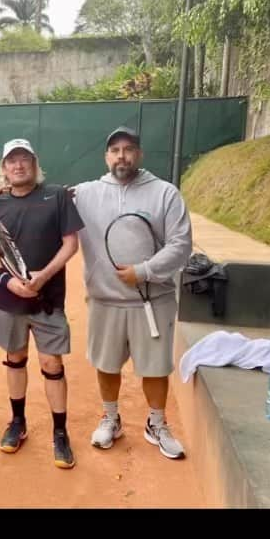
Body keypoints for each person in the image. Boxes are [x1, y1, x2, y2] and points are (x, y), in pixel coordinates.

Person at [73, 126, 193, 459]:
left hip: (153, 302)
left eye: (128, 149)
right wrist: (3, 188)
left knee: (155, 368)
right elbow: (44, 200)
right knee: (106, 364)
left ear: (139, 154)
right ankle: (110, 418)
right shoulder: (84, 193)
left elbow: (181, 245)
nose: (121, 156)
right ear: (106, 157)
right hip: (104, 300)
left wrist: (143, 272)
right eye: (114, 150)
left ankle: (156, 423)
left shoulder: (166, 193)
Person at [0, 139, 83, 469]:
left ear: (35, 164)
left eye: (24, 159)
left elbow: (70, 245)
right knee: (15, 358)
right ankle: (17, 422)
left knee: (51, 364)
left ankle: (60, 432)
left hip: (48, 299)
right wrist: (6, 280)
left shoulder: (57, 196)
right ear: (4, 167)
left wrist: (43, 277)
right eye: (12, 161)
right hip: (10, 300)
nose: (18, 165)